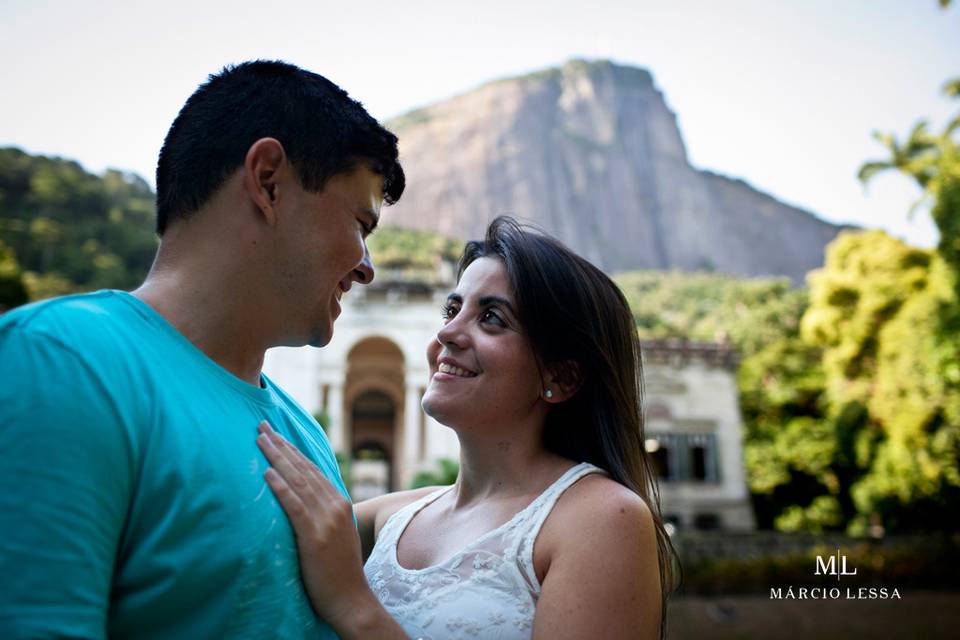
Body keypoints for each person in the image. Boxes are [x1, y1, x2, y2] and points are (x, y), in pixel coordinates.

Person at [0, 60, 404, 638]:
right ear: (268, 180)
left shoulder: (304, 436)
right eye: (361, 223)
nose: (366, 266)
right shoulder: (64, 364)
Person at [257, 216, 677, 639]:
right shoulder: (392, 516)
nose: (447, 333)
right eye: (453, 309)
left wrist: (353, 604)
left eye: (492, 317)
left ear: (562, 378)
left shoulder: (603, 518)